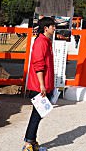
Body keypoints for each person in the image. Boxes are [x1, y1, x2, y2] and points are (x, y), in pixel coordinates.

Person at [22, 16, 56, 151]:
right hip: (39, 85)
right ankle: (28, 143)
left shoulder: (46, 41)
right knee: (37, 114)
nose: (54, 28)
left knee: (39, 114)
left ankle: (32, 141)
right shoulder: (41, 42)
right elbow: (38, 65)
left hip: (44, 84)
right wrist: (42, 84)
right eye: (52, 26)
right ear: (46, 28)